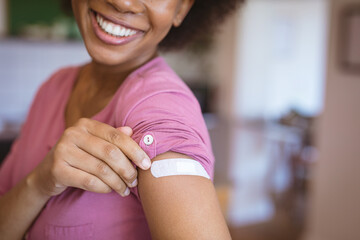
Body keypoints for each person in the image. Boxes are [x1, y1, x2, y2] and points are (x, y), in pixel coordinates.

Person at [0, 0, 242, 239]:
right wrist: (39, 184)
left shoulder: (162, 108)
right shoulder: (53, 87)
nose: (122, 2)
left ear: (182, 9)